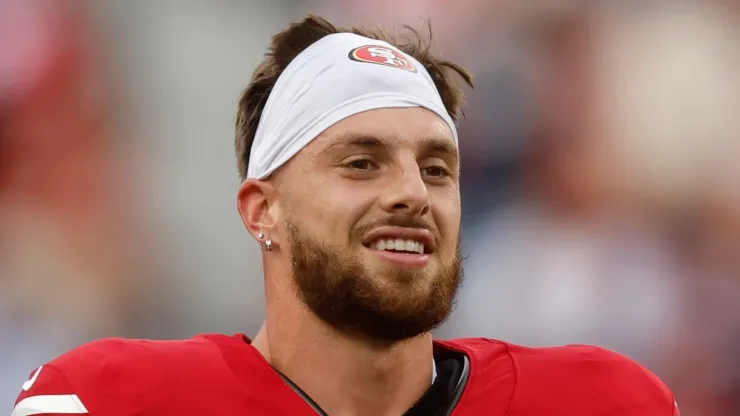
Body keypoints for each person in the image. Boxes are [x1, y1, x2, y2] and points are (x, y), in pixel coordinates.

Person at [12, 15, 679, 416]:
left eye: (436, 168)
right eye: (361, 162)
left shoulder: (602, 400)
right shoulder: (108, 400)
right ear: (261, 209)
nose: (413, 193)